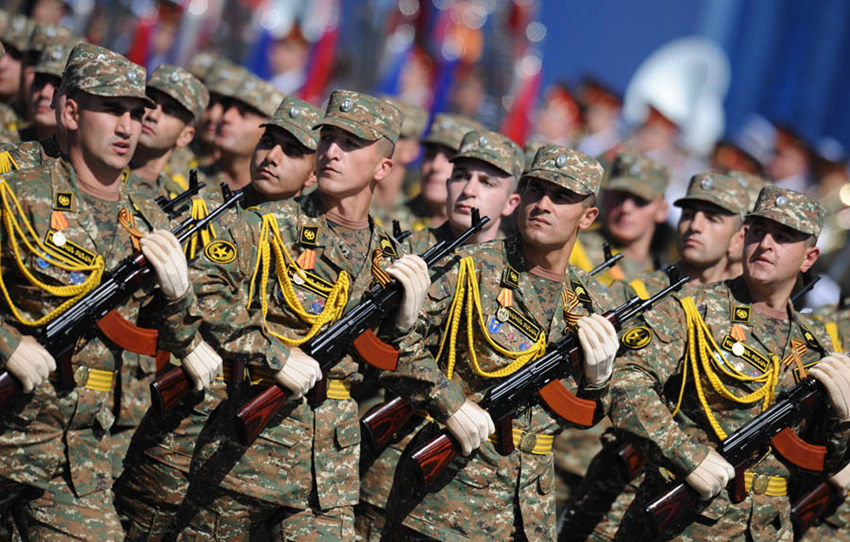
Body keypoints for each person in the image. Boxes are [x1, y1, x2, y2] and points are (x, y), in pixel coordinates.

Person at [156, 90, 426, 539]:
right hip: (247, 456)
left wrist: (401, 328)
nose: (332, 152)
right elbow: (206, 290)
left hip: (329, 476)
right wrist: (276, 355)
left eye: (351, 143)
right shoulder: (265, 223)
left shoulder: (391, 258)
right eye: (328, 139)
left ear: (383, 167)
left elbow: (396, 368)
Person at [374, 143, 619, 540]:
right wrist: (449, 404)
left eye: (561, 197)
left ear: (588, 216)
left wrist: (598, 381)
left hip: (527, 514)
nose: (543, 204)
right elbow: (396, 346)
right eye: (536, 191)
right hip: (447, 498)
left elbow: (589, 414)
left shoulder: (593, 304)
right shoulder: (470, 267)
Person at [0, 41, 188, 539]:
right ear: (70, 110)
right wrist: (7, 343)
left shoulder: (147, 217)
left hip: (75, 460)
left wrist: (178, 296)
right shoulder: (17, 186)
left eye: (136, 113)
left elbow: (172, 340)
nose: (128, 127)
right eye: (113, 111)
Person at [115, 95, 323, 540]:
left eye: (293, 150)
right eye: (269, 141)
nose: (273, 156)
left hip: (247, 439)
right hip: (183, 418)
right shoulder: (200, 211)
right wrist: (185, 333)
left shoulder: (317, 245)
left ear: (315, 173)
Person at [610, 185, 850, 540]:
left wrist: (845, 422)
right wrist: (686, 455)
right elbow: (627, 384)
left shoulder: (816, 345)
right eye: (758, 231)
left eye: (782, 237)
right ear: (743, 236)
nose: (765, 244)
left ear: (809, 258)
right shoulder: (692, 307)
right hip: (688, 522)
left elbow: (825, 463)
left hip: (763, 531)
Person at [560, 172, 749, 540]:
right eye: (689, 213)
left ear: (740, 237)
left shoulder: (743, 319)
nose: (695, 225)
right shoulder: (636, 294)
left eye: (712, 218)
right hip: (618, 482)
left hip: (692, 492)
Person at [578, 152, 672, 286]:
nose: (626, 208)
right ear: (604, 197)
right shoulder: (573, 247)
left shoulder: (664, 272)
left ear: (662, 210)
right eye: (619, 196)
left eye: (640, 200)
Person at [129, 64, 209, 200]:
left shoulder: (177, 204)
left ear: (185, 136)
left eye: (168, 111)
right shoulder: (94, 170)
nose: (152, 115)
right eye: (150, 102)